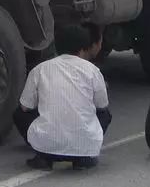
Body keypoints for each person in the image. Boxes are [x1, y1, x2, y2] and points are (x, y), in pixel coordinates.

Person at [14, 24, 112, 170]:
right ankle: (84, 156)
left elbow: (25, 107)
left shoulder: (40, 69)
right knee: (105, 114)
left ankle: (43, 156)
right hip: (83, 147)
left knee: (19, 113)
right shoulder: (93, 71)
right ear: (83, 46)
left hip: (46, 146)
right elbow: (102, 106)